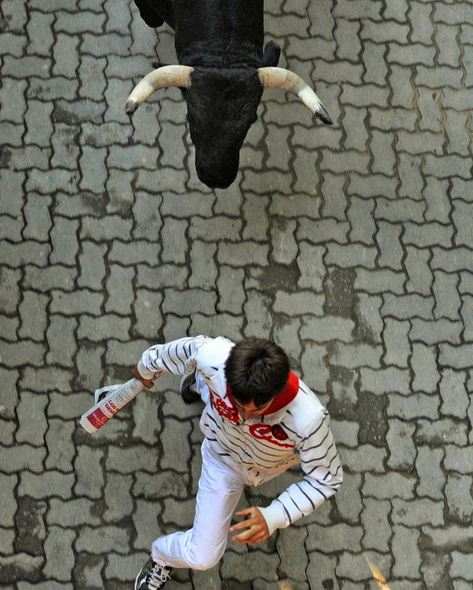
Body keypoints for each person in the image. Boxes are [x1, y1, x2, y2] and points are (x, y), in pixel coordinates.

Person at [128, 335, 343, 590]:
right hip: (221, 459)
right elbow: (170, 353)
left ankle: (200, 386)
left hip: (259, 470)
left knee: (215, 392)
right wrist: (145, 369)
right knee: (203, 557)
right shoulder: (211, 355)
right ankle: (160, 558)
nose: (246, 417)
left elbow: (326, 479)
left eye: (258, 409)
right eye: (239, 405)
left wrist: (274, 515)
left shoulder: (309, 420)